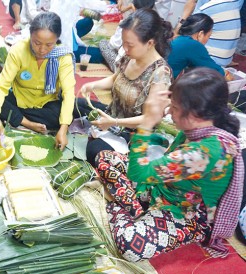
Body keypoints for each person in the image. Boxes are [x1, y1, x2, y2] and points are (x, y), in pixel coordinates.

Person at [96, 68, 244, 262]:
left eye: (173, 107)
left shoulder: (204, 153)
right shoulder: (202, 127)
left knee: (130, 245)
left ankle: (121, 205)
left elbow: (137, 174)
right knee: (105, 157)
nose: (168, 112)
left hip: (186, 212)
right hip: (164, 188)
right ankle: (136, 207)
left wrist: (146, 124)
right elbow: (164, 163)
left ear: (193, 114)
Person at [78, 9, 173, 166]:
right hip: (112, 115)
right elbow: (115, 79)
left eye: (130, 45)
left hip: (131, 132)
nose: (125, 49)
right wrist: (92, 85)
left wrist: (113, 122)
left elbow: (149, 119)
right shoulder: (130, 57)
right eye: (124, 43)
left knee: (96, 150)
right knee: (75, 103)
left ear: (150, 43)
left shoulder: (160, 73)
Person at [0, 11, 76, 151]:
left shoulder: (62, 57)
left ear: (57, 39)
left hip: (45, 104)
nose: (42, 50)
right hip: (19, 100)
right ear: (30, 35)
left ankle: (14, 117)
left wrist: (64, 128)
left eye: (49, 45)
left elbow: (68, 92)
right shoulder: (18, 50)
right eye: (37, 43)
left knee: (67, 113)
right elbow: (2, 86)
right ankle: (27, 123)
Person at [176, 0, 244, 67]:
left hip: (209, 62)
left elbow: (185, 34)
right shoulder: (234, 5)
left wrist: (182, 20)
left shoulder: (207, 8)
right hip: (225, 60)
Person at [99, 0, 156, 72]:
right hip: (141, 66)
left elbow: (114, 44)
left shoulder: (131, 23)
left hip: (125, 67)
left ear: (133, 7)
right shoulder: (155, 23)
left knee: (103, 43)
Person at [167, 13, 225, 78]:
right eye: (208, 36)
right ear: (200, 34)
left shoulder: (178, 38)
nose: (208, 40)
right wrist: (226, 74)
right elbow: (215, 72)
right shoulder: (193, 45)